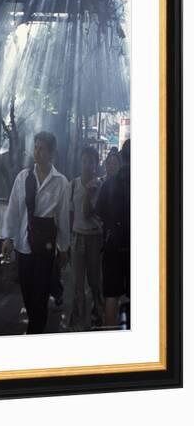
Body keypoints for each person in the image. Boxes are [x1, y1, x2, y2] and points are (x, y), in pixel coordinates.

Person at [1, 131, 70, 334]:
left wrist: (64, 248)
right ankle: (35, 324)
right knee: (27, 291)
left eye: (42, 149)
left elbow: (63, 218)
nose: (37, 153)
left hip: (45, 247)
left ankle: (35, 332)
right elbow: (13, 209)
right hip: (23, 244)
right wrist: (8, 237)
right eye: (36, 148)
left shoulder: (61, 182)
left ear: (52, 153)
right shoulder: (23, 178)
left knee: (40, 294)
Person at [96, 139, 131, 327]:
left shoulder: (109, 184)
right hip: (136, 248)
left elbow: (99, 211)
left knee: (111, 295)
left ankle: (110, 337)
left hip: (112, 246)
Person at [69, 147, 104, 330]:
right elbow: (70, 213)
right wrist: (67, 240)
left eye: (90, 161)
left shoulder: (100, 186)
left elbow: (88, 211)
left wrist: (90, 193)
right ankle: (77, 321)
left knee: (94, 282)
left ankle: (97, 314)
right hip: (76, 237)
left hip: (94, 239)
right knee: (76, 283)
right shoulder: (73, 184)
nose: (87, 165)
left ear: (96, 164)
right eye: (84, 161)